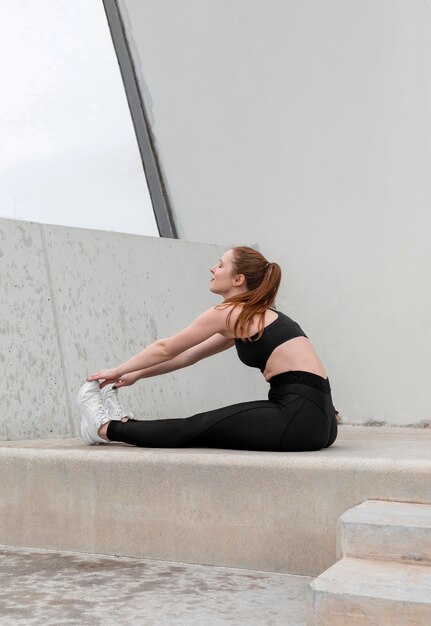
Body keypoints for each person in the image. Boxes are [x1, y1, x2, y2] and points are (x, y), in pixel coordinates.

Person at [76, 246, 338, 451]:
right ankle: (118, 424)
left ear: (238, 279)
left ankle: (103, 428)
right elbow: (189, 355)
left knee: (195, 427)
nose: (213, 269)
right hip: (319, 418)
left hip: (298, 418)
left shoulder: (231, 312)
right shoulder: (253, 315)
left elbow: (167, 347)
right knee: (202, 425)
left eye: (221, 265)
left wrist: (115, 370)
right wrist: (136, 374)